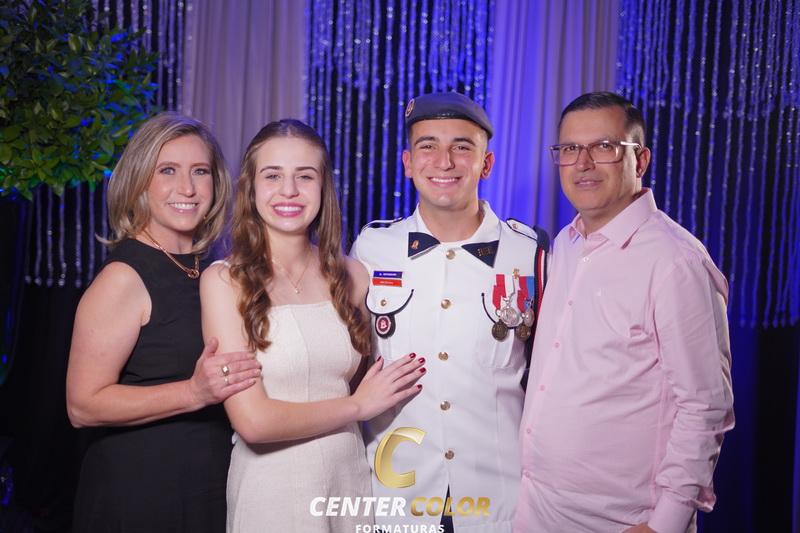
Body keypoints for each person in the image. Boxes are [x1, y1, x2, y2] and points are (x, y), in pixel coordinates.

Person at [514, 92, 735, 533]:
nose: (583, 163)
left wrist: (665, 524)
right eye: (570, 149)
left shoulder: (674, 262)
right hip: (537, 510)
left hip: (623, 522)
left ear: (641, 159)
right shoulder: (566, 244)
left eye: (604, 147)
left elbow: (705, 405)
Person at [199, 119, 425, 533]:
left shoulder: (354, 275)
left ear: (323, 188)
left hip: (349, 482)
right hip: (271, 491)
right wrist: (358, 406)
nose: (289, 190)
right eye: (273, 176)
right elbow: (254, 422)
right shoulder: (224, 281)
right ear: (251, 188)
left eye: (305, 176)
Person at [351, 92, 549, 532]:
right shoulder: (371, 248)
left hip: (498, 496)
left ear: (486, 163)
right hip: (396, 493)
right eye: (428, 146)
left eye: (462, 147)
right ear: (407, 163)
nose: (444, 162)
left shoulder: (530, 253)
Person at [66, 112, 262, 532]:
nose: (187, 188)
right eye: (167, 171)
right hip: (141, 493)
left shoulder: (211, 269)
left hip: (209, 484)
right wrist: (192, 392)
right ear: (140, 182)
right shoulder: (123, 277)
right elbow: (82, 405)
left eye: (200, 171)